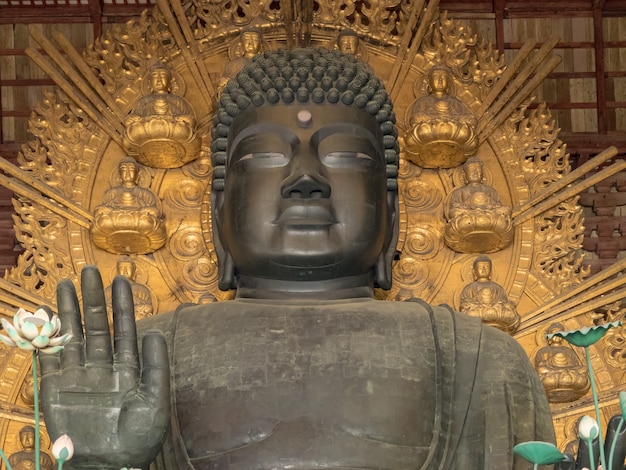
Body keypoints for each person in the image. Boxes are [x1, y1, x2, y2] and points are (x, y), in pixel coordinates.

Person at [40, 48, 554, 470]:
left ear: (393, 213)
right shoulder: (137, 364)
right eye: (265, 156)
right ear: (218, 211)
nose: (305, 179)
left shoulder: (484, 364)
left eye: (346, 157)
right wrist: (96, 462)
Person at [123, 63, 201, 168]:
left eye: (163, 76)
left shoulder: (178, 101)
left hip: (174, 133)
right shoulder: (143, 101)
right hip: (147, 133)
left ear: (170, 83)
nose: (159, 80)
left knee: (183, 128)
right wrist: (134, 119)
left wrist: (181, 119)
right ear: (149, 83)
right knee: (135, 129)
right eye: (155, 77)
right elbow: (129, 121)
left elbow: (190, 121)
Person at [405, 65, 477, 168]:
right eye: (436, 77)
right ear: (429, 82)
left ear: (448, 83)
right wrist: (435, 119)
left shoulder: (455, 102)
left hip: (453, 134)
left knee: (469, 123)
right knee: (418, 120)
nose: (440, 80)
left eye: (443, 77)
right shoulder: (423, 102)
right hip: (430, 132)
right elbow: (415, 120)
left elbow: (471, 119)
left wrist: (450, 120)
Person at [91, 157, 167, 254]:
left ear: (137, 175)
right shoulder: (112, 193)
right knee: (103, 219)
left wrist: (145, 210)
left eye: (131, 169)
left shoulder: (145, 194)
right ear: (119, 175)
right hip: (116, 222)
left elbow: (155, 214)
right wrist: (106, 210)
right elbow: (101, 211)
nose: (127, 173)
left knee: (148, 221)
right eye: (123, 169)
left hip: (139, 222)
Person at [444, 156, 514, 252]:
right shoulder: (459, 192)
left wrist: (486, 201)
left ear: (483, 174)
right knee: (455, 212)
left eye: (478, 170)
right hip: (468, 217)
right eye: (471, 170)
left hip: (488, 215)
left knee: (506, 210)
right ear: (464, 175)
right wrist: (471, 201)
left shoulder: (490, 191)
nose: (475, 172)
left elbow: (498, 207)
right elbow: (454, 210)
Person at [459, 255, 521, 333]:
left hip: (496, 312)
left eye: (486, 267)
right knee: (469, 314)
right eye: (481, 267)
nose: (484, 269)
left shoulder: (498, 288)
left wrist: (500, 306)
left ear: (491, 270)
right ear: (474, 271)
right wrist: (478, 303)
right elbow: (465, 306)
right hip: (478, 312)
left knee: (510, 314)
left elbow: (503, 303)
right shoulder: (469, 288)